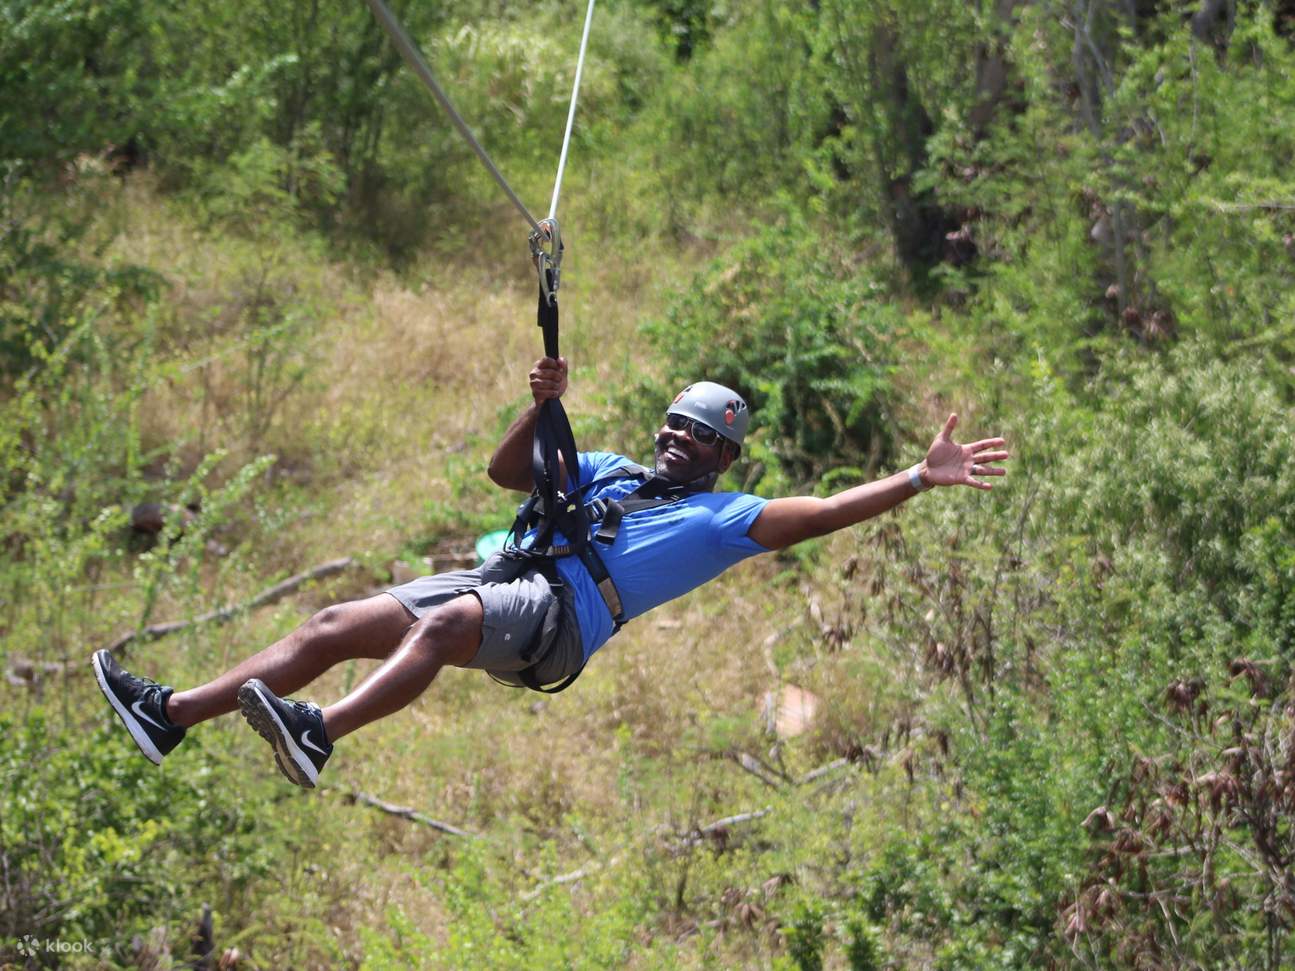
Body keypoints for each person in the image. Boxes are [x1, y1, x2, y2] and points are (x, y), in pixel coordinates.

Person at [92, 356, 1009, 788]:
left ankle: (320, 731)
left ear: (722, 457)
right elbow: (503, 475)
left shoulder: (720, 518)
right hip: (508, 574)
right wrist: (542, 409)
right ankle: (167, 714)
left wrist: (917, 479)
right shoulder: (606, 465)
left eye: (696, 435)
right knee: (333, 623)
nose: (674, 438)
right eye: (673, 423)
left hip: (560, 618)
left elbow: (827, 512)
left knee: (446, 628)